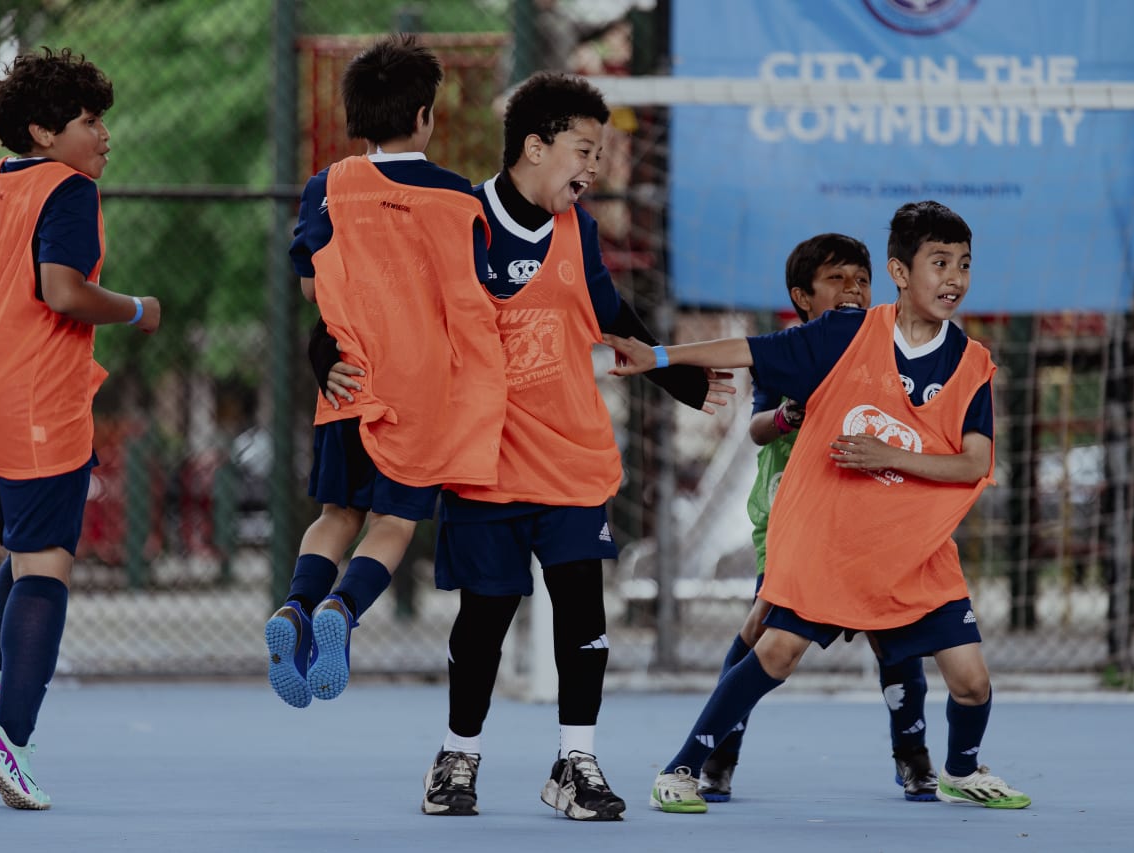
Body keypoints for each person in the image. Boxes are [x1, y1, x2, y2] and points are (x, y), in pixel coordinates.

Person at [605, 200, 1031, 814]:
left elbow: (973, 463)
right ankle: (682, 769)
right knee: (773, 651)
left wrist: (891, 455)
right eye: (938, 263)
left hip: (916, 550)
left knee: (971, 683)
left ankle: (959, 768)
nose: (955, 278)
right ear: (901, 273)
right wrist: (661, 356)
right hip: (831, 537)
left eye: (964, 264)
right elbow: (749, 349)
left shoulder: (971, 364)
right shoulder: (844, 335)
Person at [408, 71, 732, 822]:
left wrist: (676, 373)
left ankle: (574, 760)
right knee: (485, 618)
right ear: (534, 145)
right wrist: (329, 351)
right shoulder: (459, 222)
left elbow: (610, 309)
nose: (594, 167)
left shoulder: (576, 229)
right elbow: (398, 313)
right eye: (584, 149)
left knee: (583, 611)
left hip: (568, 452)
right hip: (482, 458)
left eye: (601, 152)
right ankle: (458, 755)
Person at [264, 34, 507, 709]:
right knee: (394, 524)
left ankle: (296, 607)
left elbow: (314, 289)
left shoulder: (328, 186)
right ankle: (344, 608)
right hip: (423, 390)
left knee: (336, 512)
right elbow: (475, 298)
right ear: (425, 116)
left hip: (350, 380)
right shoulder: (460, 200)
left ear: (354, 119)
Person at [0, 47, 162, 810]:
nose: (104, 136)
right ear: (44, 131)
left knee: (23, 558)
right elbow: (63, 291)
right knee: (47, 566)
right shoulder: (70, 189)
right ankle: (9, 735)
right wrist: (138, 309)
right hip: (37, 406)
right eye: (90, 122)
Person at [698, 233, 938, 805]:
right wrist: (787, 416)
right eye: (837, 280)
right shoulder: (790, 352)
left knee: (892, 633)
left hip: (869, 515)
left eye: (862, 279)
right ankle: (718, 751)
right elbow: (756, 429)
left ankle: (913, 755)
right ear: (802, 297)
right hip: (797, 516)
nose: (853, 289)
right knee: (763, 631)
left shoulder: (891, 351)